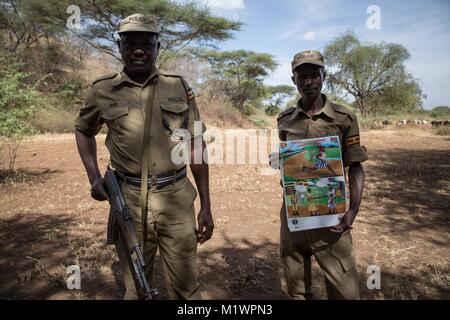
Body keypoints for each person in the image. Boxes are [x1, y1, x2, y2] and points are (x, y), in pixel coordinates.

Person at [74, 13, 213, 300]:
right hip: (129, 200)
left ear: (158, 47)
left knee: (187, 288)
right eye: (130, 43)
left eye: (146, 43)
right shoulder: (102, 89)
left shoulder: (178, 86)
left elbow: (197, 145)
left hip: (176, 198)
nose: (138, 50)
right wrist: (94, 177)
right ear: (120, 47)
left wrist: (207, 206)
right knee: (136, 287)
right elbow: (83, 130)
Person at [271, 50, 368, 299]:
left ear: (324, 76)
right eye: (302, 76)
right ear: (294, 80)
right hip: (294, 213)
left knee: (344, 290)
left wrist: (353, 210)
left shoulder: (343, 118)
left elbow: (355, 166)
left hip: (332, 216)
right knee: (296, 289)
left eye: (314, 74)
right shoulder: (285, 120)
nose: (308, 81)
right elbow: (286, 161)